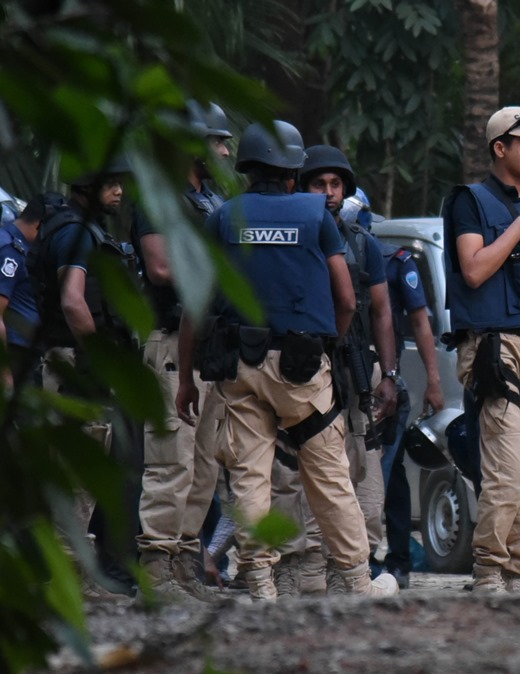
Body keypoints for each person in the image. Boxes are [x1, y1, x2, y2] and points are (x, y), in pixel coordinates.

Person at [175, 119, 398, 601]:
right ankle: (357, 580)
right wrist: (327, 345)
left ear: (248, 170)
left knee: (250, 477)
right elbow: (347, 299)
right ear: (294, 173)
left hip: (240, 367)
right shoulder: (317, 215)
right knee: (329, 473)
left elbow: (195, 304)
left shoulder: (223, 216)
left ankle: (259, 580)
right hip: (301, 368)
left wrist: (187, 381)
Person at [442, 106, 520, 593]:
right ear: (499, 148)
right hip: (493, 348)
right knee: (508, 471)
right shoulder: (469, 201)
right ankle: (489, 572)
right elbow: (471, 270)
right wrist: (519, 229)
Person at [279, 145, 396, 595]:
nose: (328, 193)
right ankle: (301, 570)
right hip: (302, 369)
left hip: (354, 369)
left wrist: (389, 375)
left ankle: (348, 571)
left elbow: (382, 311)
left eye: (335, 185)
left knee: (362, 474)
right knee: (293, 473)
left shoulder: (363, 243)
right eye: (318, 184)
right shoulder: (292, 236)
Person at [132, 100, 232, 603]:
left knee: (205, 464)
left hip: (208, 343)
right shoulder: (157, 198)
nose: (226, 149)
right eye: (217, 140)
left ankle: (183, 564)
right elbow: (161, 269)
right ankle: (155, 569)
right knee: (172, 458)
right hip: (171, 341)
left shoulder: (211, 200)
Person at [31, 154, 141, 595]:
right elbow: (74, 301)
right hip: (78, 363)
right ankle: (67, 579)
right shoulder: (75, 233)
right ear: (85, 188)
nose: (118, 192)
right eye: (110, 183)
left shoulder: (72, 229)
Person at [377, 234, 445, 589]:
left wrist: (434, 381)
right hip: (334, 381)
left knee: (389, 473)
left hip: (384, 384)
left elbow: (420, 321)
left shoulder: (396, 261)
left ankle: (396, 561)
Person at [0, 194, 57, 385]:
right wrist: (4, 375)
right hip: (12, 355)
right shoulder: (8, 250)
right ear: (40, 224)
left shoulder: (10, 241)